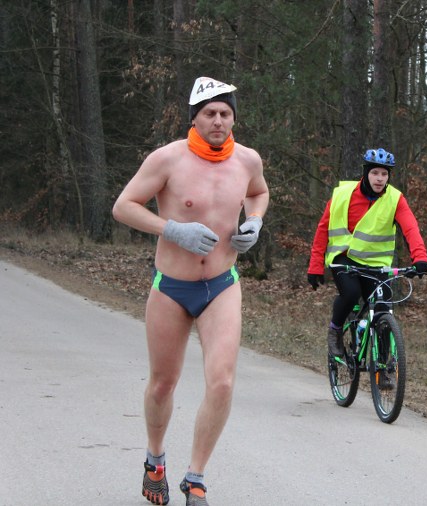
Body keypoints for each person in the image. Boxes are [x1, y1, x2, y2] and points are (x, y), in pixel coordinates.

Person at [112, 76, 269, 506]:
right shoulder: (167, 159)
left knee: (222, 382)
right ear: (194, 118)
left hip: (222, 285)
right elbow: (123, 206)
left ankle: (195, 477)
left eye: (225, 113)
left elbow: (259, 192)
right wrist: (172, 230)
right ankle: (155, 459)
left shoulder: (247, 160)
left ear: (234, 118)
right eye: (209, 113)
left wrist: (254, 222)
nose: (218, 121)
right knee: (163, 385)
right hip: (171, 288)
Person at [307, 148, 427, 359]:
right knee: (351, 293)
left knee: (383, 308)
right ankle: (335, 330)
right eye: (375, 173)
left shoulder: (395, 199)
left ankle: (384, 366)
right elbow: (323, 229)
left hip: (377, 264)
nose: (380, 178)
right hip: (345, 258)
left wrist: (420, 257)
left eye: (384, 174)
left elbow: (411, 228)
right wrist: (315, 265)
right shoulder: (343, 195)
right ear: (365, 173)